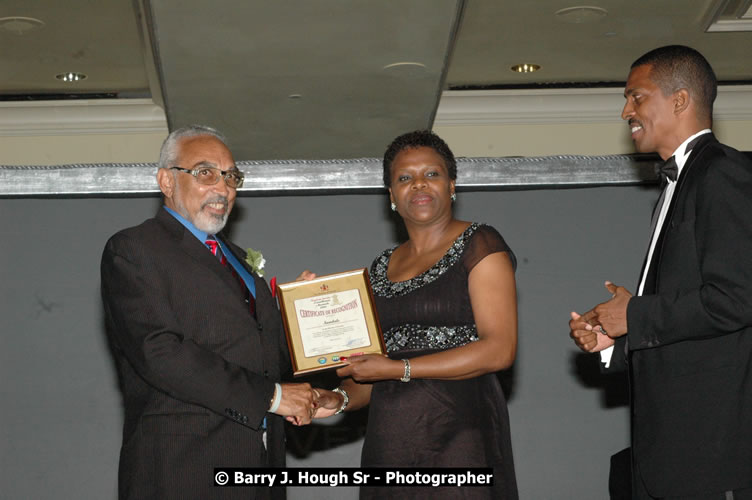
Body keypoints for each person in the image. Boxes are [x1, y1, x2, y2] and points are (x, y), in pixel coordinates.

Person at [569, 46, 752, 499]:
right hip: (668, 448)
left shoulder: (723, 173)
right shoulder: (676, 184)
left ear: (679, 100)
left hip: (710, 450)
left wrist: (636, 315)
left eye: (636, 97)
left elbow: (737, 298)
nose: (625, 110)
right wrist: (617, 337)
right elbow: (688, 310)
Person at [101, 125, 317, 500]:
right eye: (205, 173)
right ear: (167, 181)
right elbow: (160, 352)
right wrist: (273, 397)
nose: (223, 188)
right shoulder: (136, 248)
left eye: (231, 176)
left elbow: (266, 358)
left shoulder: (237, 260)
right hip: (183, 470)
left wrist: (298, 320)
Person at [315, 130, 519, 499]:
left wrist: (398, 369)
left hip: (461, 433)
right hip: (390, 438)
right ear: (391, 195)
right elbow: (367, 369)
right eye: (405, 178)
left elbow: (499, 350)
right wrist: (339, 399)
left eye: (432, 174)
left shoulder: (480, 243)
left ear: (452, 185)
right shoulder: (377, 270)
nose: (419, 184)